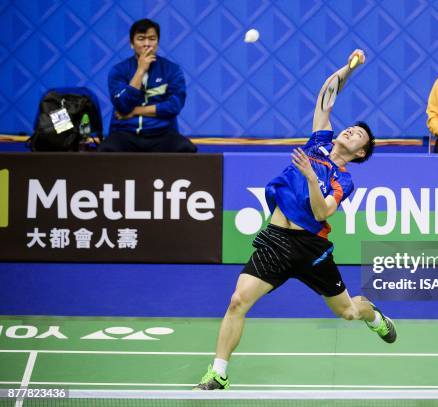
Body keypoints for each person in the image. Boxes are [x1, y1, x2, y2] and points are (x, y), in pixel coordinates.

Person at [193, 49, 396, 391]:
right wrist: (348, 69)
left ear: (361, 153)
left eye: (358, 135)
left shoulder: (344, 180)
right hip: (275, 239)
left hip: (310, 248)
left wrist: (311, 177)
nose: (350, 132)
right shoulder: (318, 142)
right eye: (350, 128)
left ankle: (372, 315)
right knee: (237, 300)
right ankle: (218, 372)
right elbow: (325, 98)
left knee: (346, 312)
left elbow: (322, 213)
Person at [98, 19, 196, 153]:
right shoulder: (118, 71)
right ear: (132, 43)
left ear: (157, 43)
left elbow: (174, 106)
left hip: (162, 134)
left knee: (186, 148)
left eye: (152, 39)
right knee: (106, 149)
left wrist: (134, 111)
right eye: (141, 39)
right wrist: (140, 70)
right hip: (125, 133)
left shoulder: (172, 70)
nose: (147, 44)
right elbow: (122, 105)